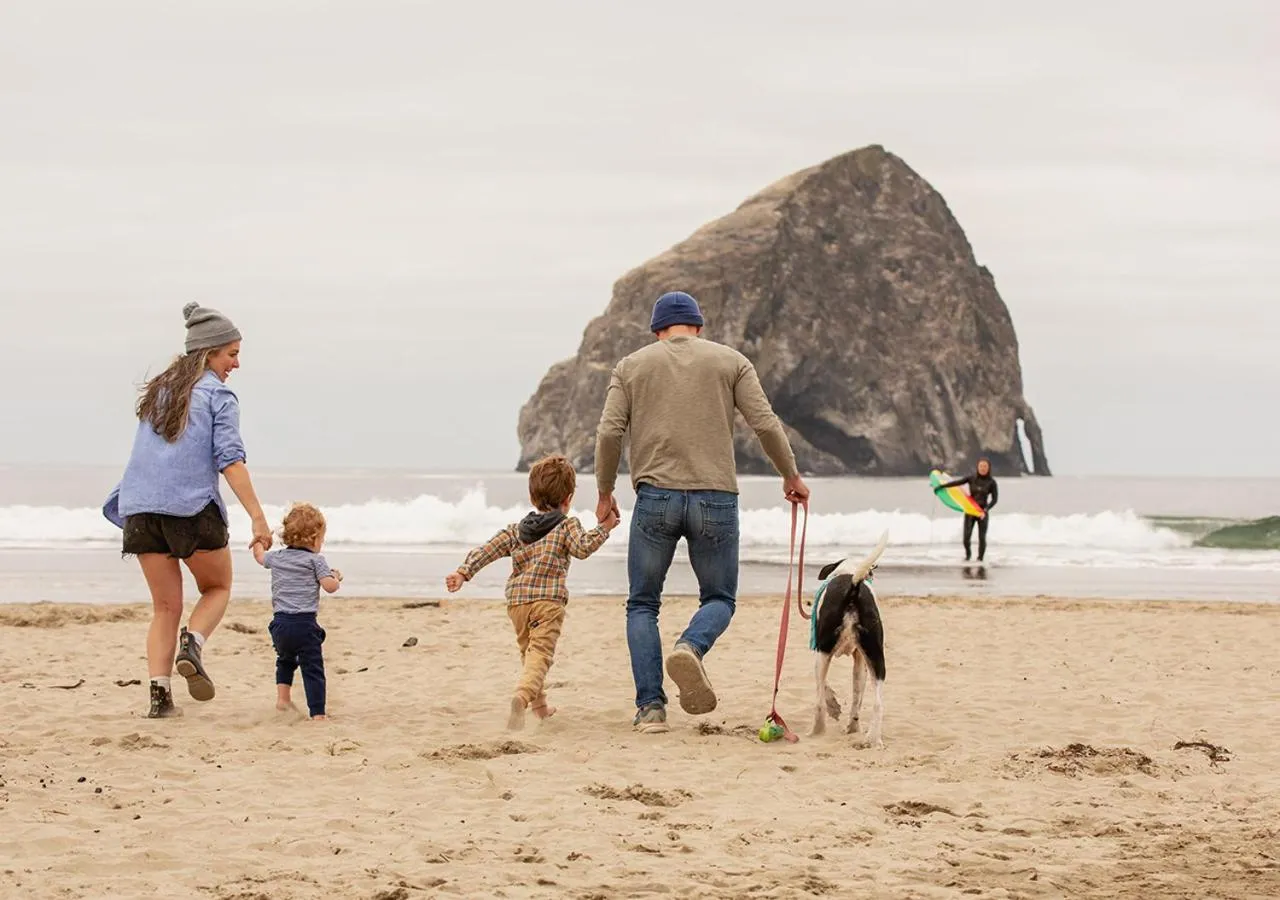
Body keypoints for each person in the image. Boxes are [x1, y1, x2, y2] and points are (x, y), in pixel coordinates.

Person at [594, 291, 810, 734]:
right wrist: (790, 475)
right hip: (716, 498)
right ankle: (690, 647)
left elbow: (609, 433)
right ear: (698, 326)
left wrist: (604, 491)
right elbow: (765, 423)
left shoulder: (631, 366)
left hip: (655, 497)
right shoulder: (731, 362)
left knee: (642, 604)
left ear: (657, 331)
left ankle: (651, 709)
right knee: (719, 599)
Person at [103, 303, 273, 719]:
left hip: (140, 509)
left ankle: (159, 698)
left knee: (165, 607)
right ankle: (192, 644)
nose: (236, 363)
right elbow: (230, 460)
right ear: (209, 352)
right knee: (217, 588)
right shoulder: (217, 395)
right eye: (231, 354)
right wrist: (257, 517)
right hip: (190, 508)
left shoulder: (160, 390)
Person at [445, 454, 619, 731]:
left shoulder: (516, 531)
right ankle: (523, 696)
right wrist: (605, 527)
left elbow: (488, 550)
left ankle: (540, 707)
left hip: (517, 605)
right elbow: (583, 548)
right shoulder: (567, 526)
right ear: (568, 499)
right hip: (547, 603)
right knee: (541, 654)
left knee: (530, 654)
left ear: (532, 497)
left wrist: (463, 572)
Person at [253, 503, 343, 720]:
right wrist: (336, 577)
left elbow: (259, 557)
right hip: (304, 624)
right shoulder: (316, 561)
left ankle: (283, 699)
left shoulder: (277, 557)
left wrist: (258, 541)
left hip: (280, 624)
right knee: (312, 668)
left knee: (285, 659)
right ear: (314, 539)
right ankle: (318, 714)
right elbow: (330, 587)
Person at [937, 457, 999, 562]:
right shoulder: (971, 478)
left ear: (989, 468)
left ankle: (980, 559)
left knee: (982, 538)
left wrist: (986, 509)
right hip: (970, 510)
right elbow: (957, 483)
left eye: (985, 466)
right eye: (981, 466)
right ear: (977, 467)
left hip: (982, 512)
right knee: (966, 538)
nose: (983, 468)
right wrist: (942, 486)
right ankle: (968, 555)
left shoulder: (992, 482)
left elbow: (995, 499)